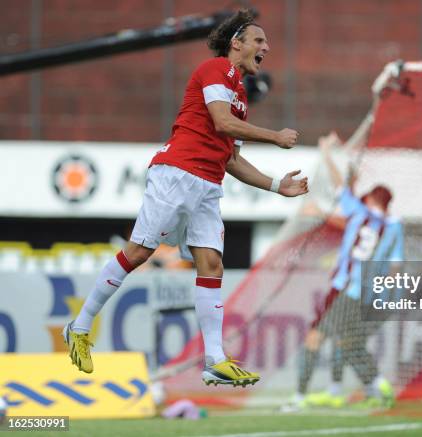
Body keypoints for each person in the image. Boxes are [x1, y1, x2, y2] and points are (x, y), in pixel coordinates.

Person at [62, 9, 308, 388]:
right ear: (236, 44)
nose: (266, 47)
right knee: (139, 253)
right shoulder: (214, 69)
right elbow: (221, 123)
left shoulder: (240, 95)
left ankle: (215, 360)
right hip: (177, 173)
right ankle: (78, 327)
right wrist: (275, 137)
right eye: (259, 41)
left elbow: (232, 159)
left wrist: (277, 186)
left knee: (211, 264)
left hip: (208, 186)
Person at [287, 129, 404, 410]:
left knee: (316, 338)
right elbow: (395, 267)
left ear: (370, 200)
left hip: (344, 288)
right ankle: (366, 387)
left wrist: (327, 153)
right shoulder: (394, 228)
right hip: (366, 294)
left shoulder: (359, 212)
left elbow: (340, 187)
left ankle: (299, 398)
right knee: (347, 343)